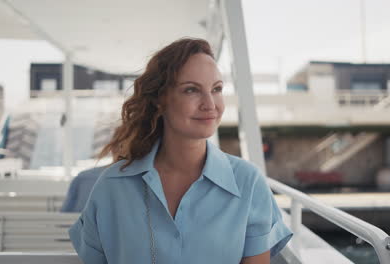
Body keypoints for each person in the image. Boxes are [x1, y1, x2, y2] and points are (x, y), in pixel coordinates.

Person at [69, 38, 293, 264]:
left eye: (216, 89)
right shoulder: (112, 186)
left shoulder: (248, 182)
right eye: (191, 90)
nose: (210, 104)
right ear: (159, 100)